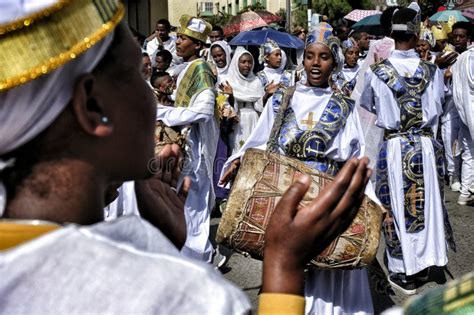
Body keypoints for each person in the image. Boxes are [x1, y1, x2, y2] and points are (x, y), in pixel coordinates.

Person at [0, 1, 373, 313]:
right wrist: (283, 268)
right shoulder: (183, 296)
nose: (157, 98)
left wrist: (163, 247)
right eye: (137, 77)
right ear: (93, 107)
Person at [221, 22, 375, 315]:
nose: (315, 64)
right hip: (285, 193)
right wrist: (238, 159)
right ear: (302, 59)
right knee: (287, 263)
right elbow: (259, 140)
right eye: (310, 56)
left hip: (327, 193)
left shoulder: (344, 106)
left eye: (324, 57)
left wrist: (373, 203)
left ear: (335, 62)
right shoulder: (281, 98)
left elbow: (358, 157)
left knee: (326, 266)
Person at [360, 6, 455, 295]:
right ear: (416, 36)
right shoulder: (432, 71)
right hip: (424, 147)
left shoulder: (377, 72)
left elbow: (370, 106)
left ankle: (403, 272)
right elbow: (438, 106)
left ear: (391, 35)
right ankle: (427, 263)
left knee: (398, 207)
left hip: (396, 145)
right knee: (426, 204)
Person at [155, 15, 223, 265]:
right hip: (186, 145)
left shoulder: (201, 70)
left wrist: (163, 113)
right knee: (184, 200)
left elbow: (203, 112)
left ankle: (197, 256)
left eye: (183, 39)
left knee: (193, 201)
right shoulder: (186, 68)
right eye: (179, 37)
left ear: (197, 45)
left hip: (196, 149)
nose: (178, 42)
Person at [218, 47, 265, 155]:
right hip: (237, 120)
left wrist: (266, 95)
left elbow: (259, 106)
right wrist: (231, 96)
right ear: (236, 63)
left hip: (253, 119)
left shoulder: (256, 81)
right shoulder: (227, 81)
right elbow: (221, 104)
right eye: (243, 62)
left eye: (249, 62)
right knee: (237, 150)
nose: (247, 65)